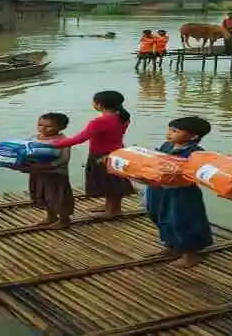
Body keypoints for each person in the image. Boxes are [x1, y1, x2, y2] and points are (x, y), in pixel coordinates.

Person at [144, 117, 213, 267]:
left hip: (182, 193)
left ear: (193, 136)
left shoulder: (196, 154)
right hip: (159, 189)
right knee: (159, 215)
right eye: (170, 129)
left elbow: (195, 174)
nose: (170, 133)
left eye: (175, 131)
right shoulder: (167, 146)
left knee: (182, 220)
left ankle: (191, 254)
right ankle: (172, 246)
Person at [50, 90, 133, 217]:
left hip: (101, 155)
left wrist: (54, 144)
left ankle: (112, 211)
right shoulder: (123, 117)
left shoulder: (99, 122)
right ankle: (111, 206)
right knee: (114, 182)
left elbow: (80, 138)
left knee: (108, 183)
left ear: (100, 105)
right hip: (118, 153)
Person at [18, 112, 74, 229]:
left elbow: (63, 159)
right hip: (38, 174)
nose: (42, 129)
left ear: (60, 128)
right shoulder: (34, 138)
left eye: (48, 126)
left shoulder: (63, 141)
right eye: (40, 125)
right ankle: (51, 216)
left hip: (55, 175)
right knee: (42, 195)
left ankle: (64, 219)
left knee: (58, 197)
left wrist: (48, 166)